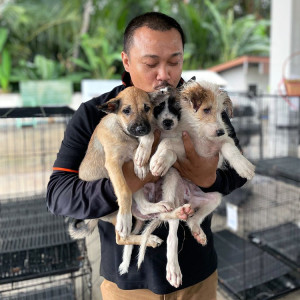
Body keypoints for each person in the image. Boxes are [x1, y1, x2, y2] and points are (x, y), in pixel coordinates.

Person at [47, 12, 247, 300]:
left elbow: (238, 170)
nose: (164, 74)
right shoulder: (96, 113)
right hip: (127, 283)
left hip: (197, 277)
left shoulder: (199, 103)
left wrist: (209, 177)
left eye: (174, 62)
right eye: (151, 63)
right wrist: (129, 181)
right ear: (126, 61)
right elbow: (59, 194)